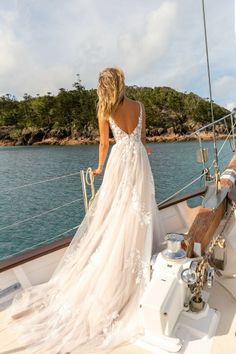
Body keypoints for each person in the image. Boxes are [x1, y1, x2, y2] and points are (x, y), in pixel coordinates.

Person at [6, 67, 165, 354]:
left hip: (120, 161)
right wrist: (144, 150)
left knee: (116, 213)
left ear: (104, 87)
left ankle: (121, 260)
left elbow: (105, 143)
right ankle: (138, 254)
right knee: (136, 210)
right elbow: (142, 139)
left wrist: (100, 168)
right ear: (122, 82)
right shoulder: (139, 106)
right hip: (139, 161)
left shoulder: (105, 109)